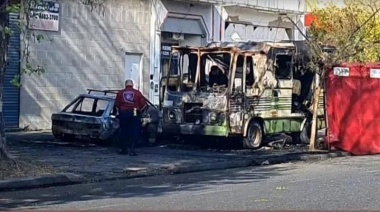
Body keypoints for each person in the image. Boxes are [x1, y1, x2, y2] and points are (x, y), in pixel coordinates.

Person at [115, 79, 147, 156]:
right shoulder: (137, 93)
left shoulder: (120, 93)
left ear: (125, 85)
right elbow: (144, 105)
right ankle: (132, 150)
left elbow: (117, 104)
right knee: (134, 131)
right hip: (135, 112)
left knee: (123, 130)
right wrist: (140, 112)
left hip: (124, 113)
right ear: (132, 85)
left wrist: (119, 111)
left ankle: (124, 149)